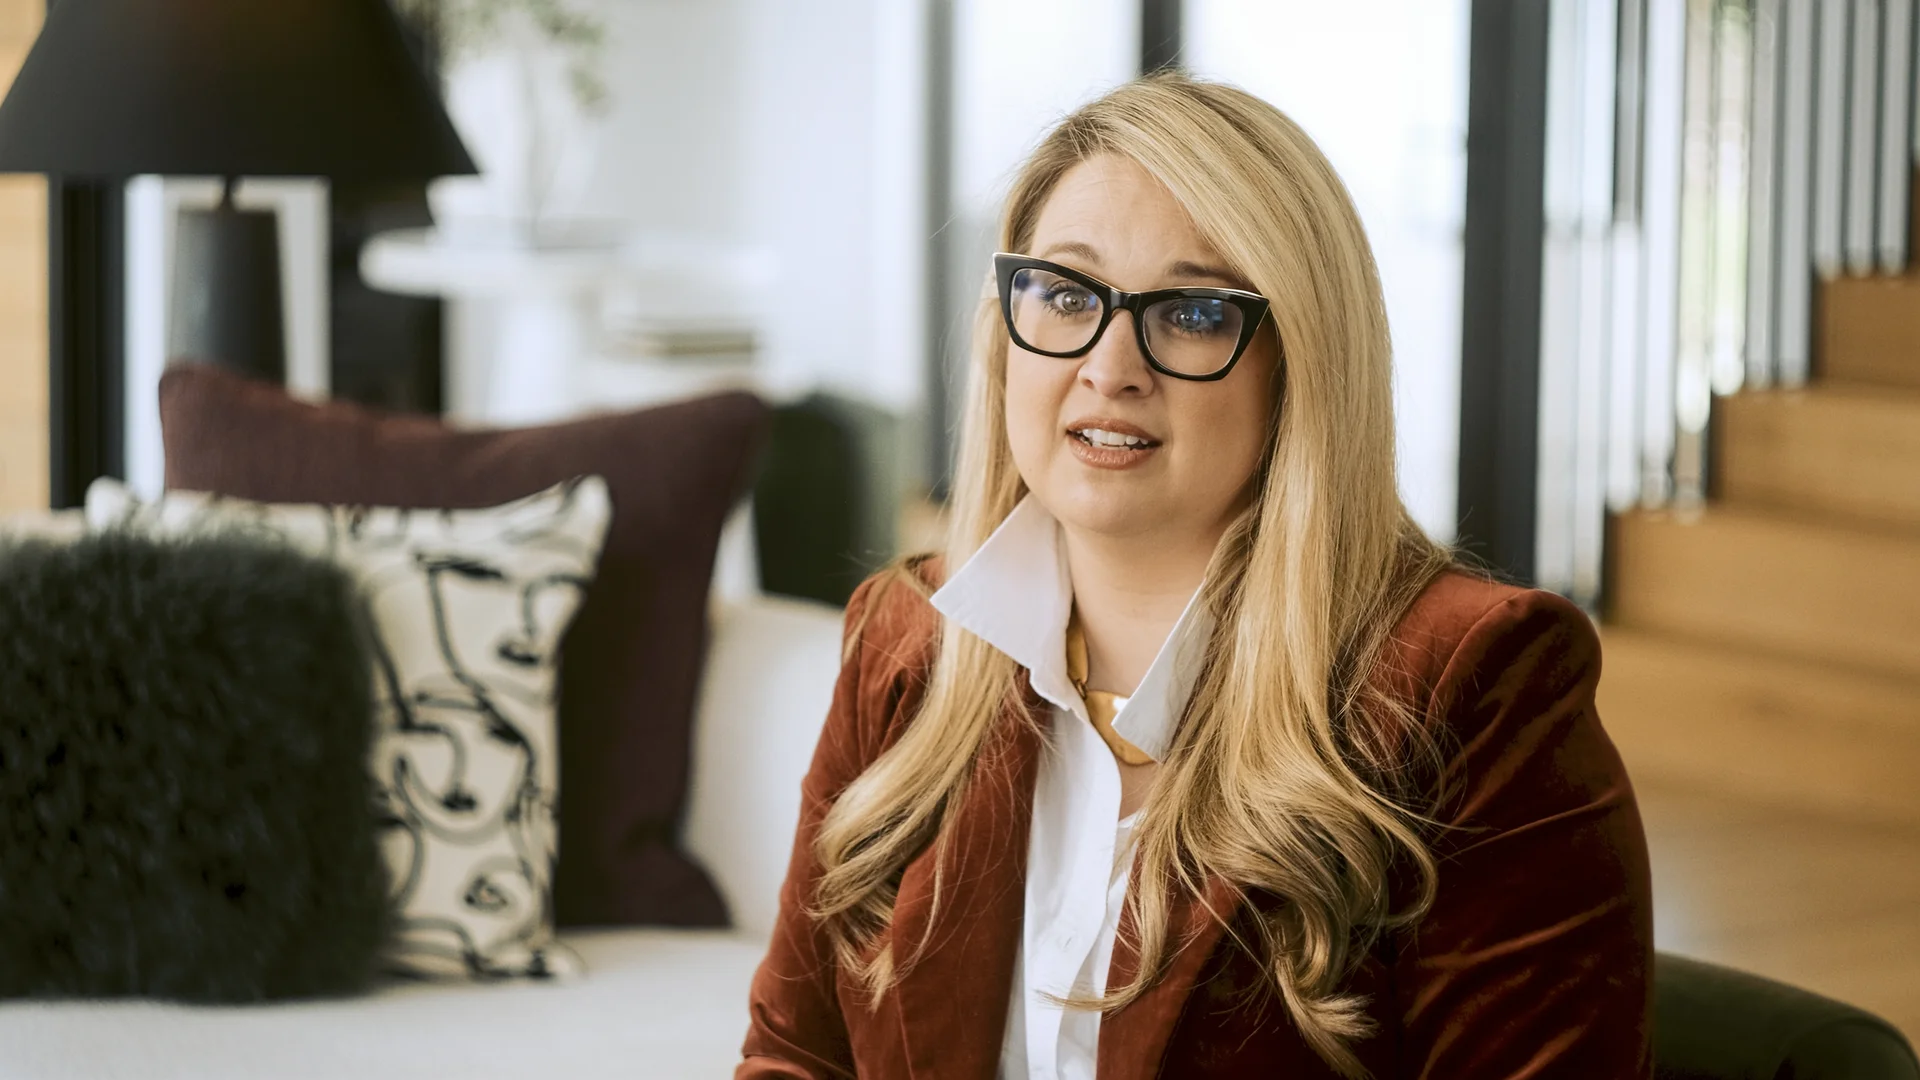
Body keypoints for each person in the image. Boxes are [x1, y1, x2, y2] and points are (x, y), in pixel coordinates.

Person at [738, 72, 1652, 1079]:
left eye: (1194, 313)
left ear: (1298, 362)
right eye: (1065, 293)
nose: (1111, 365)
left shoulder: (1476, 685)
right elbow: (794, 1057)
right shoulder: (905, 638)